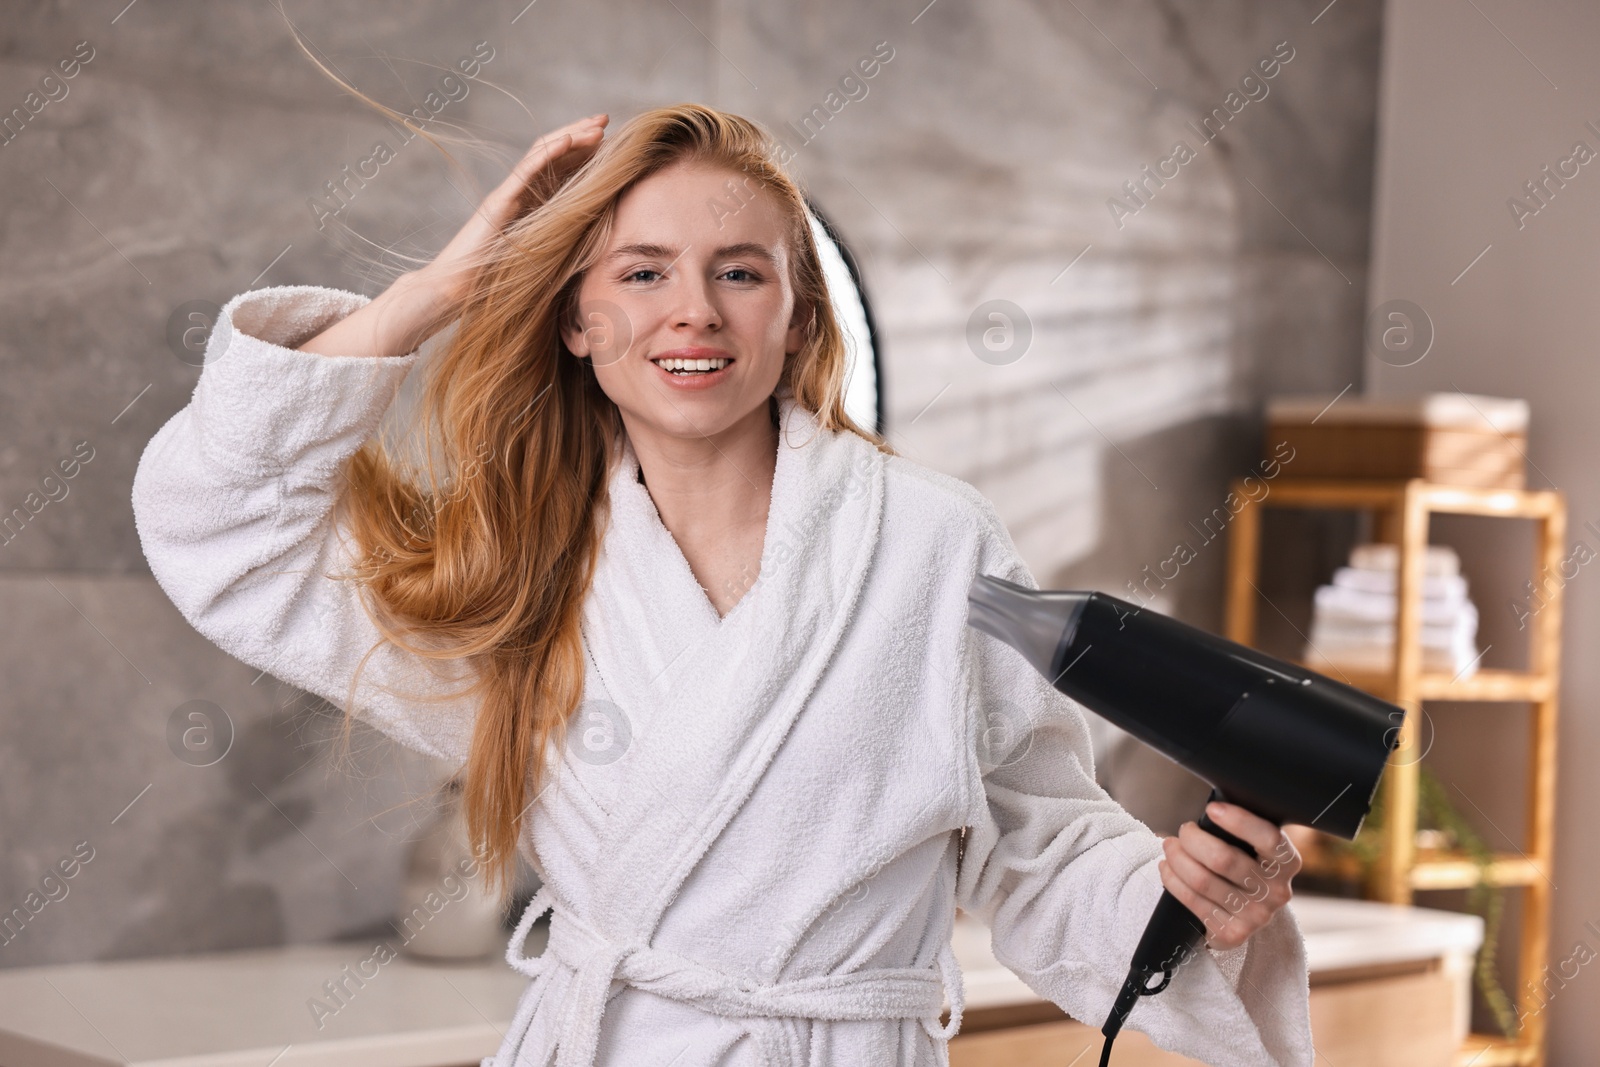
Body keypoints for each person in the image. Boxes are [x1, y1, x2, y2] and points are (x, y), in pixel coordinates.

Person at [131, 104, 1312, 1066]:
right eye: (641, 273)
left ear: (797, 318)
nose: (692, 308)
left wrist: (1183, 893)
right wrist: (432, 293)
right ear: (577, 322)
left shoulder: (930, 544)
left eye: (738, 271)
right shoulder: (513, 574)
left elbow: (1039, 845)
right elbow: (220, 520)